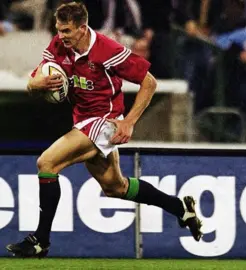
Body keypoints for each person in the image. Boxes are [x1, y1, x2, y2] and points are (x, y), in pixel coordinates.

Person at [5, 2, 202, 258]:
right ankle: (179, 207)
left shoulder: (107, 50)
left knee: (47, 162)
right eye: (58, 30)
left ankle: (40, 241)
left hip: (105, 121)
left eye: (66, 31)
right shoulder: (58, 45)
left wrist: (129, 122)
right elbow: (33, 83)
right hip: (83, 121)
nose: (60, 36)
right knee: (115, 187)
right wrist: (36, 84)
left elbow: (149, 83)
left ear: (82, 28)